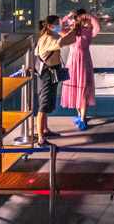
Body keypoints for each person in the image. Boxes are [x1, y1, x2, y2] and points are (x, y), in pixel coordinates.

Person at [34, 14, 81, 145]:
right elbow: (60, 43)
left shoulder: (45, 38)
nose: (58, 26)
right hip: (47, 74)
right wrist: (73, 31)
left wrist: (72, 32)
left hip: (49, 73)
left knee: (48, 102)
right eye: (56, 23)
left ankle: (45, 130)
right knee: (44, 104)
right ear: (49, 25)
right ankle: (41, 139)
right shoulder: (47, 39)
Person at [60, 8, 101, 131]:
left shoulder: (88, 31)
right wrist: (66, 17)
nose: (83, 21)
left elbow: (97, 28)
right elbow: (58, 29)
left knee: (83, 89)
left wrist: (91, 17)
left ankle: (83, 118)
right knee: (74, 88)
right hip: (72, 62)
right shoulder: (71, 32)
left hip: (84, 61)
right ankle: (79, 114)